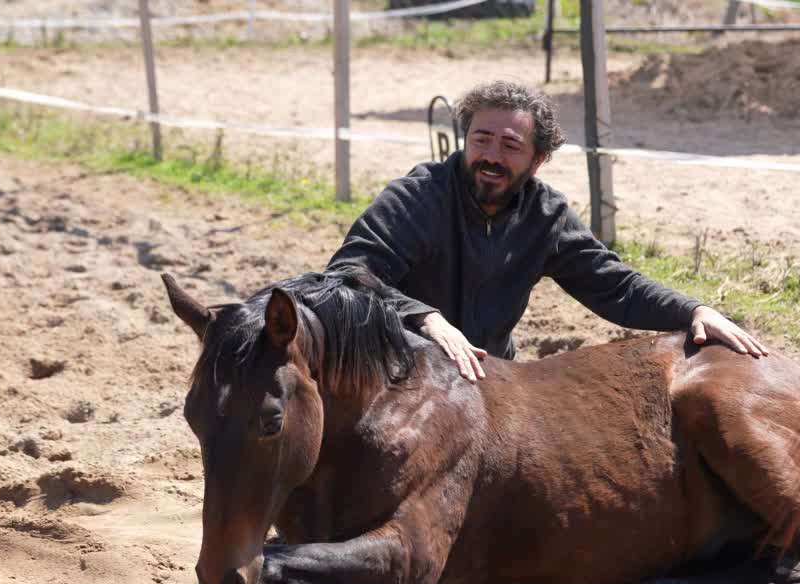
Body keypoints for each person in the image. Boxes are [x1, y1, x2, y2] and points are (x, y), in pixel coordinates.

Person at [326, 80, 767, 382]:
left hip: (487, 380)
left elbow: (615, 286)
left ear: (538, 160)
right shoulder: (418, 197)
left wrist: (694, 311)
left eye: (510, 145)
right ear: (465, 140)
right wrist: (424, 318)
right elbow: (345, 275)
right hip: (398, 371)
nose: (491, 156)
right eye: (481, 139)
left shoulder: (546, 215)